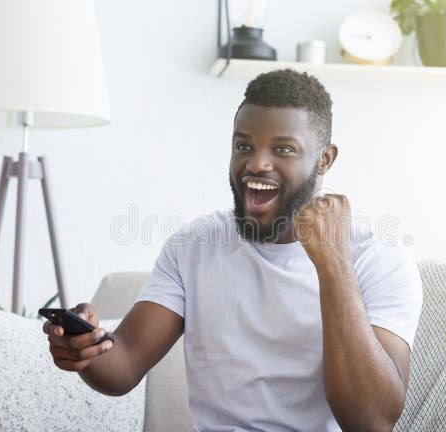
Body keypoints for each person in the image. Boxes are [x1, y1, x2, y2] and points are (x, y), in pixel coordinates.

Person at [43, 69, 423, 431]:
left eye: (284, 149)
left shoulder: (381, 264)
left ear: (324, 160)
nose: (256, 163)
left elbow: (372, 421)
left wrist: (333, 265)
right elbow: (123, 365)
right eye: (244, 145)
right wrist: (87, 350)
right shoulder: (194, 246)